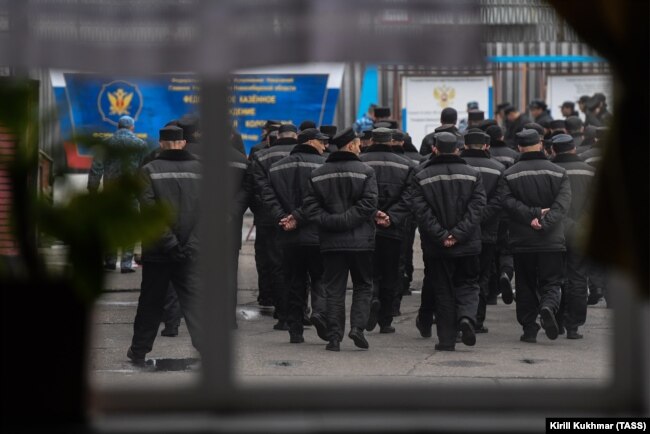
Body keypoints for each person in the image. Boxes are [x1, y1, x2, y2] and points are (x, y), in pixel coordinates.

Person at [127, 126, 203, 365]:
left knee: (150, 302)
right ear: (183, 143)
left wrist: (170, 244)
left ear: (161, 143)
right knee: (194, 302)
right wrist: (191, 245)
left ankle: (139, 350)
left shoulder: (148, 170)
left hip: (157, 251)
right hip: (191, 252)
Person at [302, 127, 378, 351]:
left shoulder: (318, 173)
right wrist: (346, 220)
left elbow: (310, 207)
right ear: (352, 146)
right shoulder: (366, 172)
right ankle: (358, 328)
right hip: (361, 242)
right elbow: (368, 205)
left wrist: (332, 222)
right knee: (363, 285)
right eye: (358, 143)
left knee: (334, 289)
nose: (360, 147)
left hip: (331, 242)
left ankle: (334, 337)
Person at [410, 132, 486, 351]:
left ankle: (446, 340)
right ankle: (467, 319)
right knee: (469, 284)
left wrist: (442, 235)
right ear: (457, 149)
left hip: (437, 247)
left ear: (434, 149)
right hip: (468, 244)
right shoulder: (473, 174)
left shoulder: (422, 176)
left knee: (443, 291)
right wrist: (459, 234)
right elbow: (477, 208)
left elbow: (421, 212)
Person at [498, 129, 571, 343]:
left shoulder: (510, 173)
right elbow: (563, 204)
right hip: (551, 239)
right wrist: (544, 220)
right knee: (552, 281)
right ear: (540, 144)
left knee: (525, 284)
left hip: (522, 240)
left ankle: (529, 328)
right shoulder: (559, 172)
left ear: (519, 147)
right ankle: (548, 306)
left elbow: (507, 202)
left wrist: (531, 216)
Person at [265, 128, 329, 343]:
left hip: (288, 237)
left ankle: (295, 330)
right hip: (318, 234)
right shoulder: (324, 166)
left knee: (294, 281)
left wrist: (283, 218)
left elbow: (267, 197)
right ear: (311, 142)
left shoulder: (276, 167)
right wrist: (297, 217)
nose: (325, 146)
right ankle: (319, 312)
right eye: (322, 142)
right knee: (320, 278)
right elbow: (320, 200)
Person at [360, 128, 413, 333]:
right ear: (391, 141)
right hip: (394, 228)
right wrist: (391, 217)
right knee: (391, 273)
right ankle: (386, 320)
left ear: (371, 140)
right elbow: (409, 196)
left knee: (368, 273)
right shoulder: (406, 164)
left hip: (365, 226)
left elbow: (355, 193)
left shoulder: (360, 161)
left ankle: (371, 300)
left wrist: (373, 213)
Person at [251, 123, 299, 328]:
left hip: (270, 219)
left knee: (276, 265)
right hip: (301, 219)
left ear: (276, 137)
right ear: (296, 136)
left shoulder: (262, 156)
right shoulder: (305, 156)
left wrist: (271, 213)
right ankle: (301, 310)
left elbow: (256, 189)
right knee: (300, 265)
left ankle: (283, 312)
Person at [88, 115, 148, 273]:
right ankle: (126, 264)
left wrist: (93, 188)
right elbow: (144, 171)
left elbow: (96, 167)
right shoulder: (140, 145)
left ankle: (110, 261)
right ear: (132, 128)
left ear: (118, 126)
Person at [550, 134, 596, 339]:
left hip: (553, 231)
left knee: (554, 277)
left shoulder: (550, 171)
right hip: (582, 232)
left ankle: (556, 321)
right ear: (574, 149)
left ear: (553, 150)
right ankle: (573, 326)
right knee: (578, 277)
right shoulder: (590, 172)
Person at [460, 131, 505, 334]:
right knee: (482, 276)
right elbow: (499, 200)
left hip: (459, 231)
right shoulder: (498, 168)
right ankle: (477, 319)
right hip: (487, 232)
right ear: (486, 146)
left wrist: (467, 221)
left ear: (465, 145)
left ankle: (460, 316)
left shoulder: (458, 167)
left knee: (459, 276)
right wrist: (480, 218)